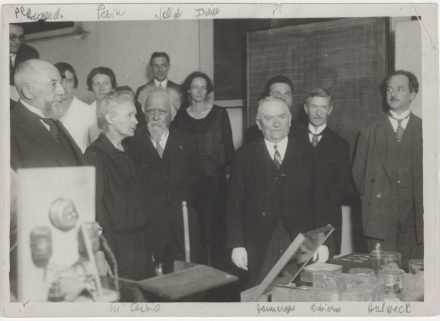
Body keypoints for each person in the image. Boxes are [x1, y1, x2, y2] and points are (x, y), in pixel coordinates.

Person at [226, 96, 316, 286]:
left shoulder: (308, 154)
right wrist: (237, 244)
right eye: (268, 118)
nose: (276, 124)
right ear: (259, 123)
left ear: (290, 120)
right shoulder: (244, 156)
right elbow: (233, 205)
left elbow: (319, 202)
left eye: (282, 117)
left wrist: (321, 243)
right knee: (260, 294)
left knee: (299, 294)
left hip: (299, 240)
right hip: (258, 242)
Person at [84, 89, 154, 300]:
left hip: (138, 245)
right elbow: (91, 210)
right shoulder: (95, 155)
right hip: (115, 248)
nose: (136, 121)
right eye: (130, 115)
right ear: (110, 118)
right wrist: (99, 253)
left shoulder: (126, 150)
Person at [126, 87, 202, 274]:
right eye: (151, 111)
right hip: (148, 229)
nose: (156, 117)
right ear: (143, 113)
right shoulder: (130, 143)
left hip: (182, 228)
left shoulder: (188, 141)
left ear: (173, 115)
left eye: (162, 112)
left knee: (185, 284)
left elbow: (197, 182)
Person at [352, 70, 423, 269]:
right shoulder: (369, 132)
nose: (393, 94)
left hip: (416, 222)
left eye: (400, 89)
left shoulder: (427, 130)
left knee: (416, 281)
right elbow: (358, 175)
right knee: (382, 276)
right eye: (389, 89)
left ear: (412, 94)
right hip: (380, 221)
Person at [173, 72, 235, 268]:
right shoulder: (180, 117)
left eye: (203, 87)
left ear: (207, 90)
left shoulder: (219, 114)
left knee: (215, 232)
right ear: (188, 90)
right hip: (191, 184)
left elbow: (228, 147)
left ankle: (217, 275)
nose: (199, 91)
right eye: (195, 87)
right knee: (195, 231)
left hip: (216, 183)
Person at [11, 59, 83, 170]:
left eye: (60, 83)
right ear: (28, 92)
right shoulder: (8, 129)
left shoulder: (52, 120)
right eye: (53, 84)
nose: (61, 91)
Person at [303, 88, 350, 256]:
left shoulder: (341, 145)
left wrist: (320, 223)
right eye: (314, 106)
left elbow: (340, 187)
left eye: (323, 107)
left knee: (326, 271)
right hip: (298, 221)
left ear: (330, 110)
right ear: (306, 109)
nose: (318, 112)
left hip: (328, 221)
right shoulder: (293, 140)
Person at [245, 75, 305, 143]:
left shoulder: (302, 131)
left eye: (287, 94)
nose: (283, 99)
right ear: (267, 97)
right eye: (277, 95)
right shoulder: (252, 133)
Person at [55, 62, 97, 152]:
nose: (64, 87)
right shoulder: (45, 110)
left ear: (75, 83)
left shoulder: (87, 111)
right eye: (60, 82)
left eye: (69, 81)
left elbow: (96, 148)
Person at [135, 52, 183, 124]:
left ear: (168, 67)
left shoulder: (179, 90)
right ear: (151, 67)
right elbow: (141, 118)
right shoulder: (141, 90)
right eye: (156, 66)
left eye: (163, 65)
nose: (160, 69)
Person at [86, 66, 117, 140]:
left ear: (112, 86)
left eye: (106, 83)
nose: (101, 88)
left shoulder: (121, 109)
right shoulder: (86, 112)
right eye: (97, 84)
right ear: (91, 87)